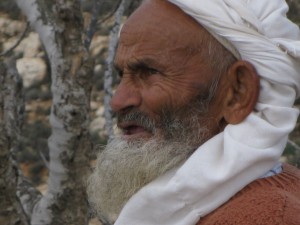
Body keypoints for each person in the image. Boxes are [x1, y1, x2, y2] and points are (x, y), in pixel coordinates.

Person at [87, 0, 300, 224]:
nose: (118, 101)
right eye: (122, 75)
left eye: (150, 72)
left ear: (237, 92)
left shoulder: (267, 217)